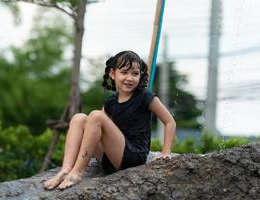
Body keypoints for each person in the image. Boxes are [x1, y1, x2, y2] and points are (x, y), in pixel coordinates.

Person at [43, 50, 176, 190]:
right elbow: (94, 129)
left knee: (96, 116)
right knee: (79, 118)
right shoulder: (111, 102)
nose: (130, 78)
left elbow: (169, 122)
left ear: (140, 75)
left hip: (132, 158)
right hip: (110, 160)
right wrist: (84, 153)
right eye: (124, 72)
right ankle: (66, 169)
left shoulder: (145, 97)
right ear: (113, 74)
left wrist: (166, 152)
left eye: (135, 74)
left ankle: (77, 172)